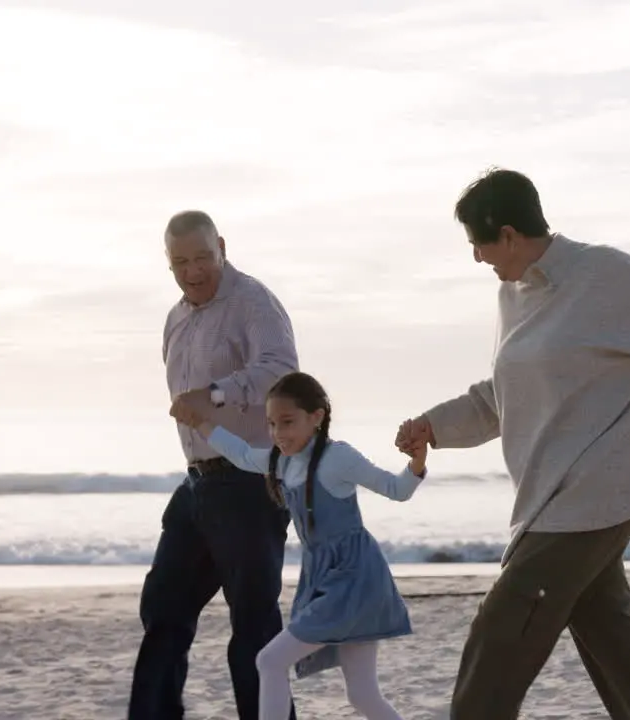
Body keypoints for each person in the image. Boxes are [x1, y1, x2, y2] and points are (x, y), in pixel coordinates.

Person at [393, 168, 630, 720]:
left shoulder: (601, 273)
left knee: (496, 638)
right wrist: (434, 426)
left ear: (508, 234)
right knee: (616, 653)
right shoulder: (512, 298)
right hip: (548, 499)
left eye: (478, 244)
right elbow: (503, 397)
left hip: (594, 496)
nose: (476, 259)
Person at [170, 371, 426, 720]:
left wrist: (417, 463)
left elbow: (397, 490)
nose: (278, 434)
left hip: (353, 580)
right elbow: (242, 454)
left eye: (287, 422)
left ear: (317, 417)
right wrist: (199, 422)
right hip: (324, 580)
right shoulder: (281, 461)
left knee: (269, 660)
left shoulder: (338, 458)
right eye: (272, 424)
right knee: (363, 697)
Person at [130, 210, 300, 720]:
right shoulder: (176, 318)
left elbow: (282, 371)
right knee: (163, 610)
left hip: (250, 484)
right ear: (169, 262)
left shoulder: (253, 301)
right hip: (199, 484)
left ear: (221, 246)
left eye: (202, 257)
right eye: (180, 261)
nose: (193, 270)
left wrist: (217, 393)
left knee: (252, 627)